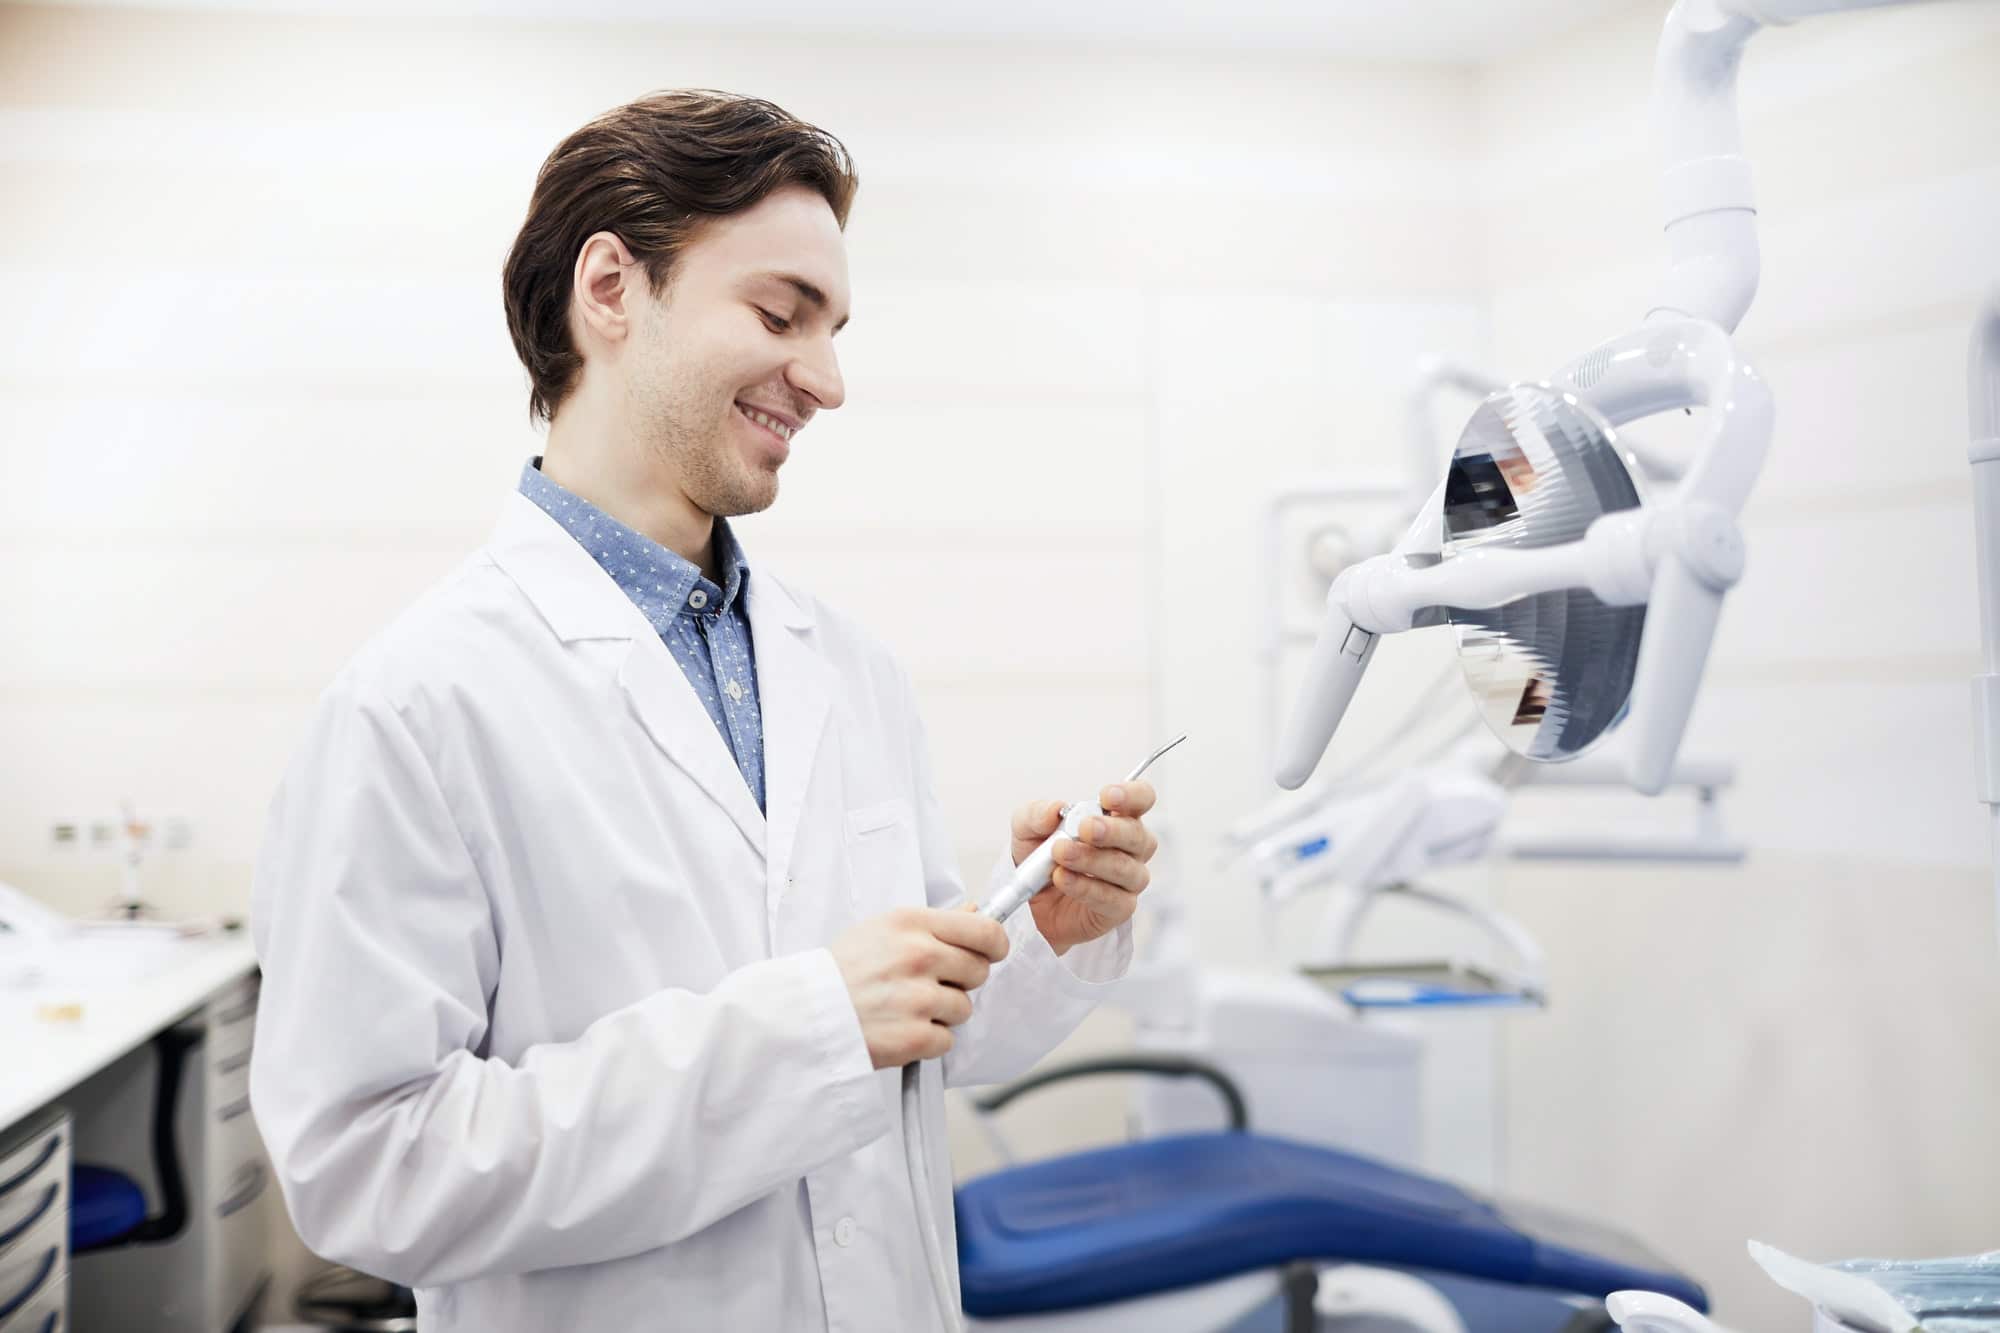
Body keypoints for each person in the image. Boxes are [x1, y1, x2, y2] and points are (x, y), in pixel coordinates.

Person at [248, 89, 1160, 1332]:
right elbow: (367, 1170)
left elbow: (913, 1038)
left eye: (834, 329)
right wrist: (800, 1033)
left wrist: (1039, 932)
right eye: (781, 314)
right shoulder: (417, 704)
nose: (828, 380)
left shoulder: (846, 667)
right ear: (611, 288)